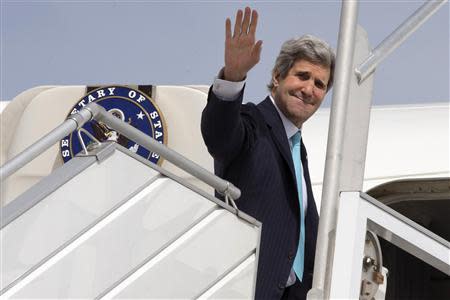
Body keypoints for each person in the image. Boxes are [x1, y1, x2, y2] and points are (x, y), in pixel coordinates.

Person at [201, 7, 335, 300]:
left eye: (320, 84)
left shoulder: (297, 149)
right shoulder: (252, 124)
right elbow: (219, 137)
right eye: (303, 76)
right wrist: (233, 76)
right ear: (277, 77)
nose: (309, 89)